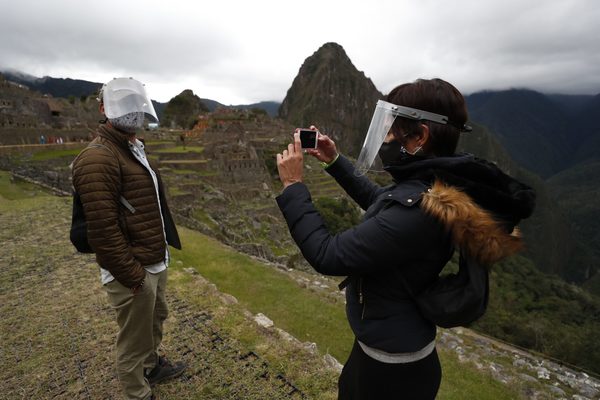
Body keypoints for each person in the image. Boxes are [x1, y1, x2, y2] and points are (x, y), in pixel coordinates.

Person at [275, 78, 535, 399]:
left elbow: (327, 254)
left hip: (391, 371)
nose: (384, 139)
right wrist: (334, 161)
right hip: (385, 349)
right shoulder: (431, 186)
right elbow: (382, 201)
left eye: (390, 130)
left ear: (419, 137)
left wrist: (293, 187)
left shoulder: (418, 211)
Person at [72, 77, 186, 400]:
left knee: (155, 319)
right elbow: (103, 232)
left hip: (152, 259)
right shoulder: (98, 159)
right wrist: (133, 276)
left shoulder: (133, 148)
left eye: (136, 107)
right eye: (127, 107)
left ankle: (152, 366)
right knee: (133, 339)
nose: (133, 115)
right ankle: (138, 393)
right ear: (103, 109)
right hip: (132, 270)